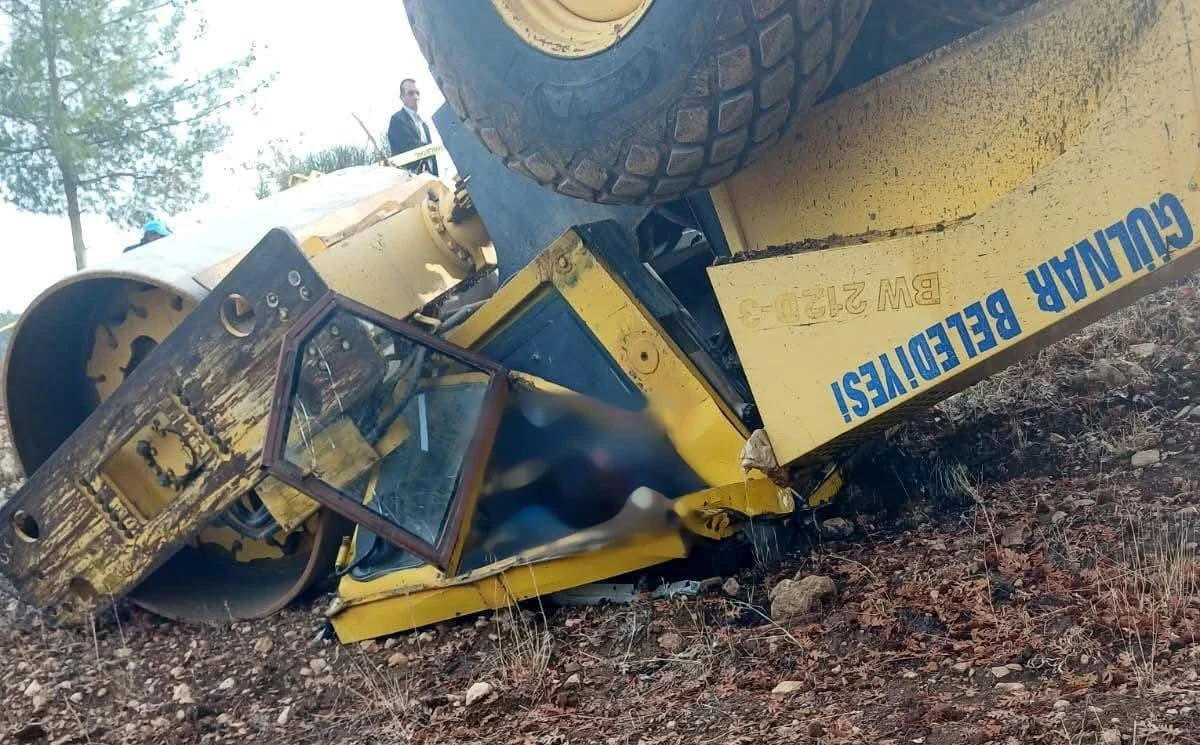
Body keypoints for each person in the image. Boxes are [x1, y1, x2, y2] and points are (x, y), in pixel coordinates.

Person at [387, 78, 439, 176]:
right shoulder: (397, 120)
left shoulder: (424, 125)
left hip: (431, 180)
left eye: (417, 93)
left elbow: (432, 157)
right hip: (411, 182)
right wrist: (435, 147)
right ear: (402, 97)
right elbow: (410, 149)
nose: (415, 97)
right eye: (410, 93)